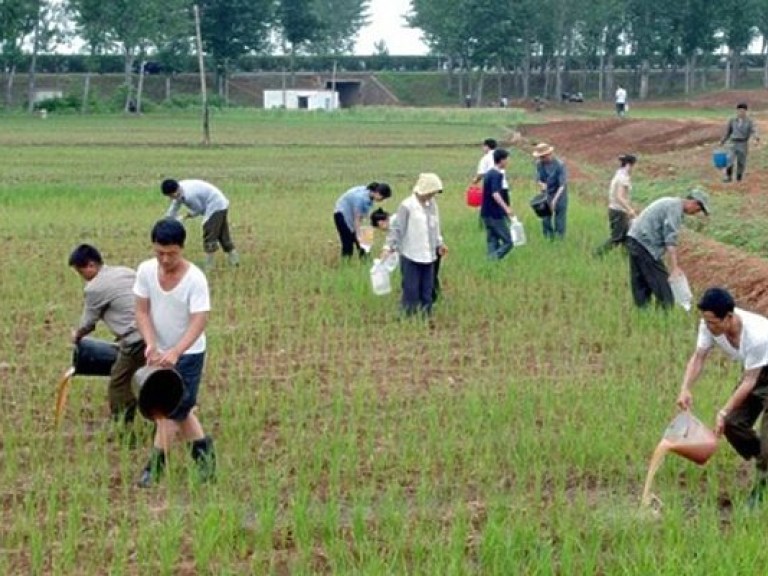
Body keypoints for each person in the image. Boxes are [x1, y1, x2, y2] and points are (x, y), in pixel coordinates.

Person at [133, 218, 215, 488]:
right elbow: (142, 310)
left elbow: (199, 320)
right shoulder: (146, 271)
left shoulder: (195, 280)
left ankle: (154, 469)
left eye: (171, 254)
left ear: (182, 249)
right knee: (181, 409)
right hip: (159, 353)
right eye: (159, 253)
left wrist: (177, 351)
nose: (165, 259)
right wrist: (150, 344)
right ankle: (206, 463)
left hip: (189, 353)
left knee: (170, 411)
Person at [677, 287, 768, 507]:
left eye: (713, 322)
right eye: (706, 322)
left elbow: (749, 381)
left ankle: (762, 488)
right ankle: (765, 457)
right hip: (756, 371)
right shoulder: (709, 325)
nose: (708, 327)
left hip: (759, 370)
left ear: (729, 316)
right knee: (732, 424)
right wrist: (685, 388)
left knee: (767, 448)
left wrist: (723, 409)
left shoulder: (757, 336)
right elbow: (699, 357)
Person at [68, 244, 145, 429]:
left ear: (91, 265)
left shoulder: (94, 288)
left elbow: (88, 323)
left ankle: (123, 426)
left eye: (81, 272)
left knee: (119, 382)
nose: (82, 278)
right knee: (147, 377)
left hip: (136, 339)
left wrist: (76, 336)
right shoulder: (125, 272)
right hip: (158, 333)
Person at [625, 189, 709, 309]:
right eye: (699, 209)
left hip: (634, 238)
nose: (697, 213)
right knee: (664, 289)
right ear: (694, 202)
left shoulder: (670, 202)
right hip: (645, 244)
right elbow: (670, 238)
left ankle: (642, 314)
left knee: (641, 283)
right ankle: (664, 315)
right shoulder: (675, 208)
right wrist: (674, 268)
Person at [381, 173, 447, 317]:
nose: (433, 195)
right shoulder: (407, 205)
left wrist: (439, 243)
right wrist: (388, 247)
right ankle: (407, 317)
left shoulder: (432, 205)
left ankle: (426, 316)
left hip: (429, 254)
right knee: (411, 289)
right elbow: (397, 229)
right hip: (411, 254)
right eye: (432, 192)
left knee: (427, 289)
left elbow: (435, 226)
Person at [161, 178, 239, 272]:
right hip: (219, 203)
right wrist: (167, 219)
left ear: (174, 191)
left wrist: (185, 217)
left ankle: (208, 267)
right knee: (223, 236)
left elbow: (198, 209)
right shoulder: (179, 190)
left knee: (209, 234)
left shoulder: (189, 195)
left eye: (171, 195)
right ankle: (235, 262)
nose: (170, 198)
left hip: (215, 205)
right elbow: (175, 206)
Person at [372, 207, 443, 303]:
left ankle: (426, 301)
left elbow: (390, 243)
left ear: (381, 223)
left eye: (380, 228)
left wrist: (381, 261)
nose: (382, 230)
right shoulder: (398, 219)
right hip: (431, 247)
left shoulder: (395, 222)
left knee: (426, 277)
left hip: (426, 249)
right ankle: (432, 299)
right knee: (432, 275)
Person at [333, 182, 391, 260]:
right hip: (341, 214)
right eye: (382, 198)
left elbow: (364, 217)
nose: (382, 200)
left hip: (351, 215)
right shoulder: (361, 198)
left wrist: (363, 235)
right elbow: (357, 219)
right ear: (378, 193)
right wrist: (358, 234)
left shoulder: (369, 195)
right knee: (348, 243)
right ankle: (345, 264)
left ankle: (365, 261)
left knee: (364, 242)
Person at [595, 154, 638, 256]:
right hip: (619, 211)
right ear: (628, 165)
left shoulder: (619, 174)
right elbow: (619, 197)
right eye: (633, 166)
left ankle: (627, 257)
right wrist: (630, 210)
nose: (634, 169)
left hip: (616, 210)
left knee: (627, 237)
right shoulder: (623, 178)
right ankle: (597, 254)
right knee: (617, 238)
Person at [481, 148, 515, 260]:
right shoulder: (497, 175)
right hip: (495, 214)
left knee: (492, 240)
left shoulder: (489, 173)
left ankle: (491, 264)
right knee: (508, 242)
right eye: (507, 159)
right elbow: (495, 194)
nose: (508, 162)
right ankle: (491, 260)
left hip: (486, 213)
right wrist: (506, 208)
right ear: (501, 160)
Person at [533, 143, 568, 239]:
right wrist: (541, 184)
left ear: (550, 154)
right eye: (540, 157)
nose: (542, 159)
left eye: (543, 157)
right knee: (545, 218)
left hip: (559, 195)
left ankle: (559, 239)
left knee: (559, 219)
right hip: (546, 194)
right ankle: (548, 238)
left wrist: (554, 201)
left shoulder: (560, 165)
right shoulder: (539, 164)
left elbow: (562, 186)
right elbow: (538, 178)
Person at [720, 102, 760, 183]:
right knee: (729, 159)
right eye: (739, 110)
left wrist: (756, 139)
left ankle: (739, 178)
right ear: (737, 111)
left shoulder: (749, 121)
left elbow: (754, 130)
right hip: (733, 142)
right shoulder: (732, 120)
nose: (741, 112)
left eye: (743, 111)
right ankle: (728, 176)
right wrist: (723, 141)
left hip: (743, 143)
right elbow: (728, 132)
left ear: (746, 111)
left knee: (741, 162)